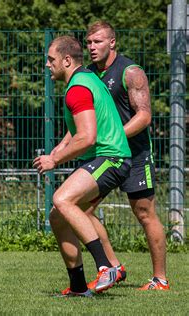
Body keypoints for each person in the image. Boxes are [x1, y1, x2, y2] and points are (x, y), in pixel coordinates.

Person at [34, 35, 132, 297]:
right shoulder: (87, 78)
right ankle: (78, 287)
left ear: (66, 60)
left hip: (110, 157)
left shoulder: (77, 88)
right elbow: (85, 121)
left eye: (51, 59)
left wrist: (55, 159)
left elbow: (87, 136)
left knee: (62, 198)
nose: (47, 64)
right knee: (58, 215)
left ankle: (106, 267)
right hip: (106, 156)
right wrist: (62, 146)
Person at [85, 21, 168, 290]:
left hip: (135, 153)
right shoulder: (87, 74)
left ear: (112, 43)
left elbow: (144, 116)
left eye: (97, 41)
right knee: (82, 208)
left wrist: (115, 136)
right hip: (105, 155)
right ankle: (113, 267)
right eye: (88, 42)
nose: (92, 47)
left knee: (144, 213)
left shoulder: (130, 72)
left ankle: (160, 279)